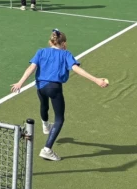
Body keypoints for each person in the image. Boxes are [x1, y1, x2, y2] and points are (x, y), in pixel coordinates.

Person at [10, 29, 109, 161]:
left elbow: (31, 68)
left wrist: (20, 83)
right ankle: (47, 149)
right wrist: (96, 80)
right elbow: (76, 69)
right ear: (64, 43)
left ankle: (45, 125)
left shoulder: (41, 51)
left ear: (50, 42)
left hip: (40, 87)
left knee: (44, 105)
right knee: (59, 119)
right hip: (54, 88)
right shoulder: (66, 54)